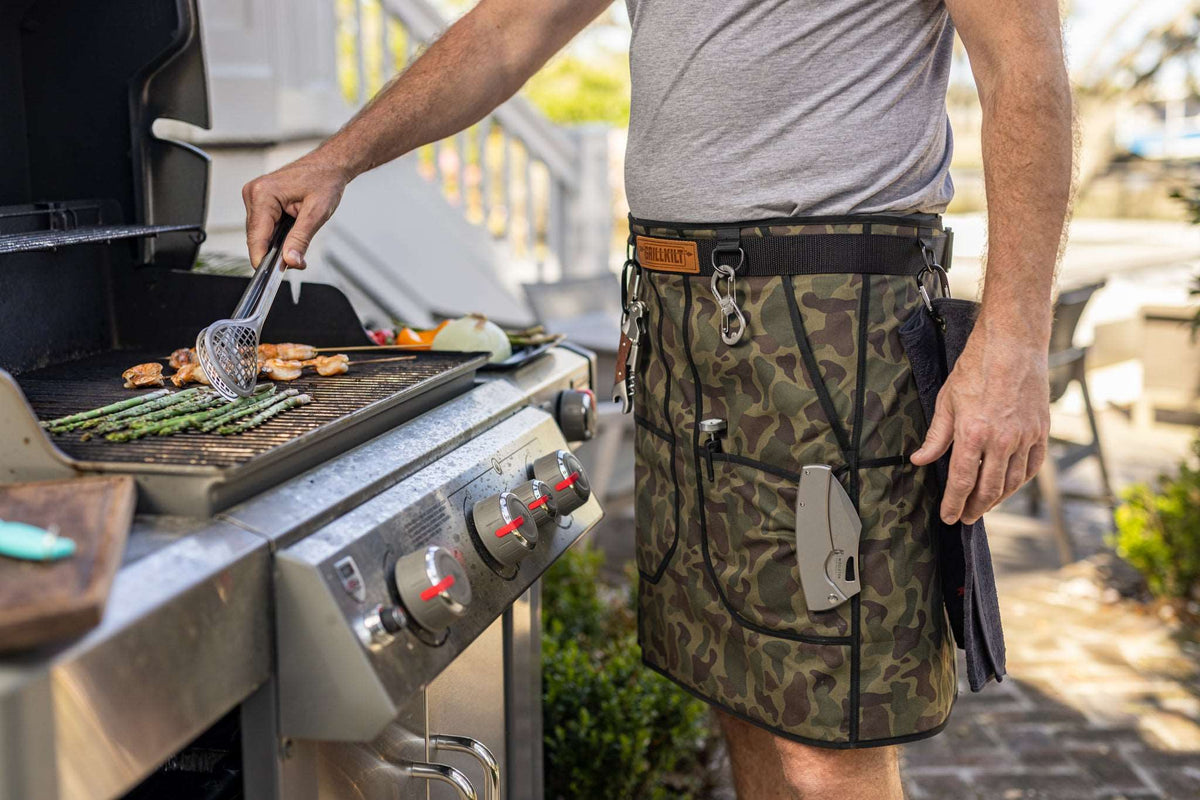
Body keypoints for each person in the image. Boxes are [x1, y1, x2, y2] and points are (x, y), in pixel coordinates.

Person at [242, 0, 1071, 796]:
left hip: (833, 322)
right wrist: (337, 157)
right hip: (678, 313)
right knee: (740, 697)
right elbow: (507, 27)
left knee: (826, 745)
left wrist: (1014, 342)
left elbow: (1023, 71)